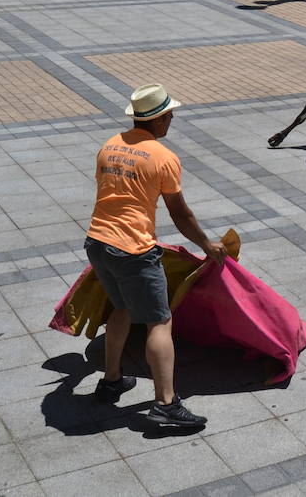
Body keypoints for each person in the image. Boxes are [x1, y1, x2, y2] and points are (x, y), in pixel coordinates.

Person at [83, 84, 226, 430]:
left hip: (97, 242)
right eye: (170, 113)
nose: (173, 118)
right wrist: (207, 243)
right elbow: (180, 213)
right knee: (159, 322)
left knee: (122, 308)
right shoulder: (163, 157)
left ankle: (112, 379)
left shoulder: (110, 145)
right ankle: (165, 404)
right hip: (133, 250)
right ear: (158, 118)